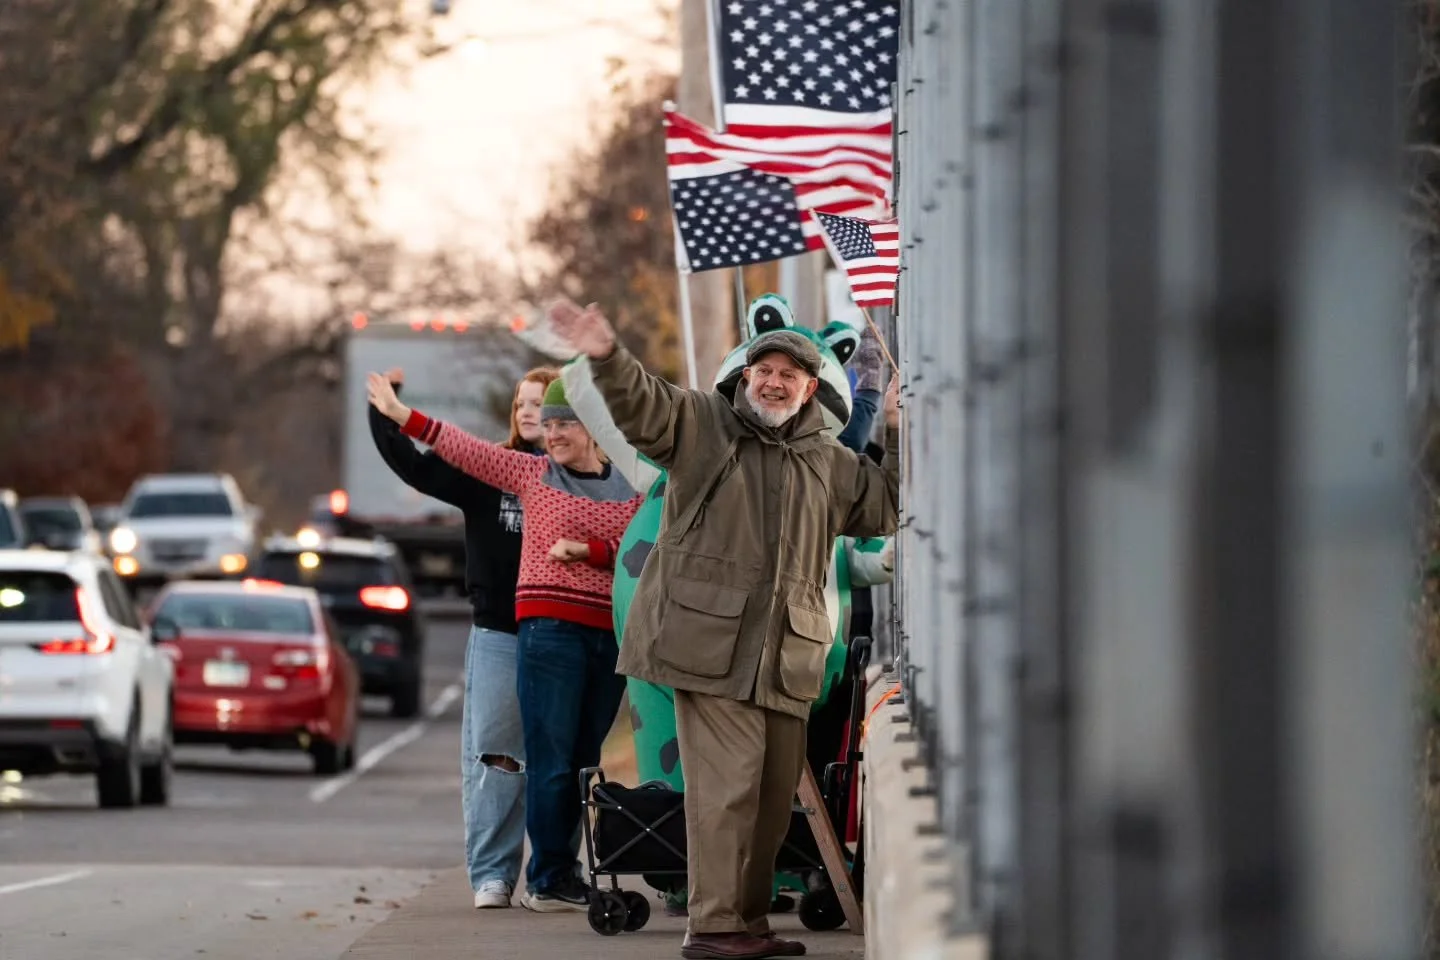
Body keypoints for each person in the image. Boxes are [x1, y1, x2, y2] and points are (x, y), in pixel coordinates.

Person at [545, 298, 901, 960]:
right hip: (707, 651)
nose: (772, 382)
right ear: (744, 378)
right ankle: (712, 928)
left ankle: (748, 922)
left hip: (786, 659)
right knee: (727, 790)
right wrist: (605, 354)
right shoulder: (704, 426)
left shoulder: (828, 462)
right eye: (763, 370)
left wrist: (906, 431)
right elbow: (645, 407)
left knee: (769, 803)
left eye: (788, 375)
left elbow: (886, 507)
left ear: (811, 389)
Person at [366, 371, 643, 913]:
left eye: (565, 421)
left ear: (595, 428)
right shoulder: (529, 472)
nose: (552, 430)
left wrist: (591, 552)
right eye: (548, 420)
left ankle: (558, 870)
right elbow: (457, 447)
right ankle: (531, 876)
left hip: (606, 635)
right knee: (541, 757)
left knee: (584, 757)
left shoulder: (629, 483)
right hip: (541, 631)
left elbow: (643, 546)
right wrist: (398, 416)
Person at [368, 366, 557, 909]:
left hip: (564, 634)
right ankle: (493, 875)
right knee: (498, 757)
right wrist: (386, 412)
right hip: (500, 631)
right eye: (521, 403)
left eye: (540, 402)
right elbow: (415, 466)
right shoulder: (489, 471)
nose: (527, 412)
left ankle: (554, 874)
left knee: (562, 758)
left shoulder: (582, 475)